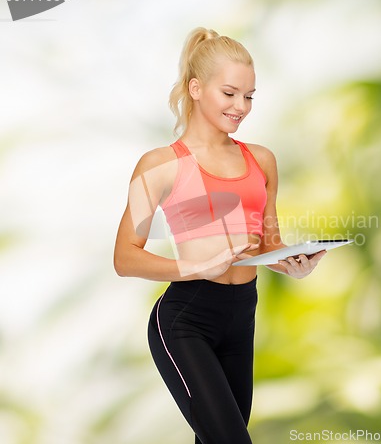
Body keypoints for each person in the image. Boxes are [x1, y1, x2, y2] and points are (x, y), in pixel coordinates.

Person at [113, 27, 326, 444]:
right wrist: (196, 267)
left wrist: (293, 263)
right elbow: (125, 257)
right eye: (229, 93)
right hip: (185, 318)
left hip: (241, 315)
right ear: (196, 88)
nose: (240, 107)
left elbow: (268, 244)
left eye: (248, 96)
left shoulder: (261, 160)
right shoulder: (159, 165)